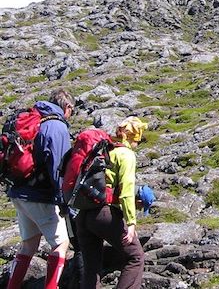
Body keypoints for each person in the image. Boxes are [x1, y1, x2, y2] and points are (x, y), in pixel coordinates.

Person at [5, 89, 75, 289]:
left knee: (29, 243)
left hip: (19, 192)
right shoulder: (56, 126)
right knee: (61, 244)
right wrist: (64, 200)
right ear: (67, 107)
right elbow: (58, 168)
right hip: (39, 195)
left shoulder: (33, 118)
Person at [76, 116, 147, 289]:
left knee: (91, 268)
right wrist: (131, 223)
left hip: (83, 214)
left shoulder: (103, 150)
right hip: (104, 214)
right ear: (134, 137)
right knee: (135, 257)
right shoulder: (126, 155)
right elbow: (126, 192)